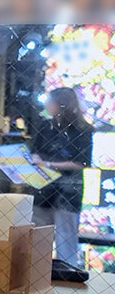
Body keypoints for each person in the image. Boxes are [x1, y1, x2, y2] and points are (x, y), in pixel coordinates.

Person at [31, 87, 94, 265]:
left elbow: (81, 162)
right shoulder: (45, 126)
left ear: (60, 104)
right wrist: (36, 160)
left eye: (50, 101)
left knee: (66, 237)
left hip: (67, 190)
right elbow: (35, 152)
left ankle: (67, 273)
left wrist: (47, 164)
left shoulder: (83, 129)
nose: (46, 105)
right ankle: (38, 271)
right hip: (43, 187)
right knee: (39, 236)